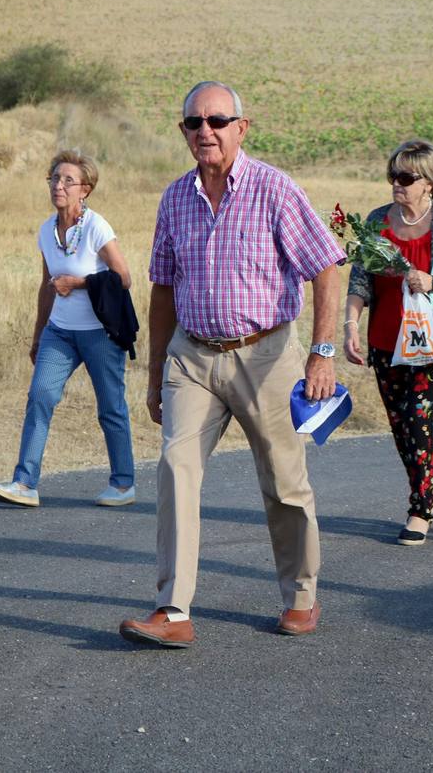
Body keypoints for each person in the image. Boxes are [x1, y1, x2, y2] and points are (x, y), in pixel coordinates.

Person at [118, 81, 344, 649]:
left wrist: (321, 352)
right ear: (184, 133)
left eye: (217, 120)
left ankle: (300, 597)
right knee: (175, 469)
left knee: (285, 482)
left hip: (266, 355)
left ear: (242, 128)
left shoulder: (274, 190)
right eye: (193, 122)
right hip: (192, 357)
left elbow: (326, 269)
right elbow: (163, 290)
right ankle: (173, 609)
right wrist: (153, 375)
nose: (205, 131)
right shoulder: (174, 198)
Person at [343, 139, 433, 547]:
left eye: (405, 177)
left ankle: (420, 507)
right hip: (387, 340)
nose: (396, 183)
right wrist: (350, 325)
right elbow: (360, 280)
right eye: (392, 175)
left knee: (418, 416)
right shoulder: (378, 220)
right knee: (401, 426)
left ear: (429, 183)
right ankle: (429, 487)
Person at [0, 150, 137, 508]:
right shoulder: (45, 230)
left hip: (99, 333)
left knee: (110, 407)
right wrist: (39, 334)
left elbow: (124, 277)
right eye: (54, 178)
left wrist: (79, 282)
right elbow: (46, 285)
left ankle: (122, 484)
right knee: (39, 397)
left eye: (68, 180)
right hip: (60, 332)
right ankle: (24, 483)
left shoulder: (97, 227)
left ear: (85, 189)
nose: (59, 185)